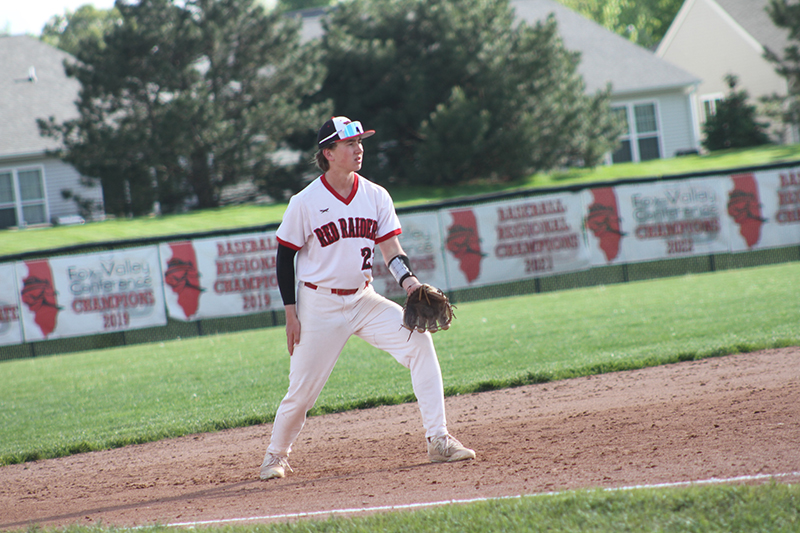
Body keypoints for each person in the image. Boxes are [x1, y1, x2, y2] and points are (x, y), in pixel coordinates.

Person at [259, 116, 476, 480]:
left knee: (419, 343)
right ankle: (275, 456)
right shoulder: (306, 201)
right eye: (350, 144)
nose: (359, 149)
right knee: (302, 391)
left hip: (363, 300)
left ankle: (438, 439)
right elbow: (285, 256)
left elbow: (391, 249)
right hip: (318, 305)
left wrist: (410, 284)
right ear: (328, 153)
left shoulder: (375, 195)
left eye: (361, 143)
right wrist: (291, 313)